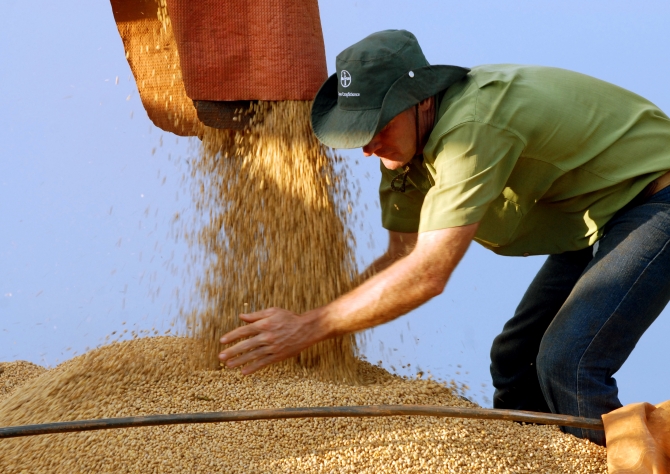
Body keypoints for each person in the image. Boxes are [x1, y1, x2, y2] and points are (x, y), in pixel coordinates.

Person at [218, 29, 670, 445]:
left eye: (378, 127)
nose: (368, 146)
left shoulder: (469, 129)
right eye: (359, 133)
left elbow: (427, 273)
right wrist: (309, 317)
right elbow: (402, 258)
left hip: (655, 197)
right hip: (597, 217)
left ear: (421, 100)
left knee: (568, 361)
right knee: (516, 360)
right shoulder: (401, 156)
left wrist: (306, 328)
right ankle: (536, 461)